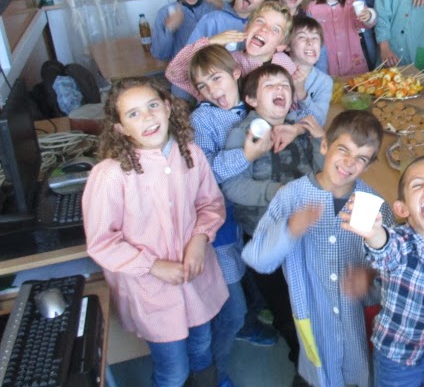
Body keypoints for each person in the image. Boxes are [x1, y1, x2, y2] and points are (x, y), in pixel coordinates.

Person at [82, 77, 228, 387]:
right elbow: (103, 242)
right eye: (133, 114)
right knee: (173, 370)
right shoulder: (110, 175)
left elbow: (210, 203)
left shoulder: (191, 153)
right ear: (121, 128)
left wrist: (199, 239)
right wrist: (153, 266)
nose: (147, 117)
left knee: (202, 347)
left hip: (195, 274)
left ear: (167, 107)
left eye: (152, 106)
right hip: (151, 290)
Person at [242, 110, 395, 387]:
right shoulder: (292, 197)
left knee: (361, 373)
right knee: (321, 375)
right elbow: (257, 259)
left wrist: (371, 277)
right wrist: (290, 229)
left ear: (369, 164)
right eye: (343, 150)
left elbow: (395, 265)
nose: (349, 163)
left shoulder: (374, 205)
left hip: (357, 322)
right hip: (314, 318)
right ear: (324, 145)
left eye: (361, 158)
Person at [221, 63, 325, 372]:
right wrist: (278, 191)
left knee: (313, 298)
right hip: (265, 236)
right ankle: (302, 362)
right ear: (251, 99)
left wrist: (318, 139)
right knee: (284, 306)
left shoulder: (300, 125)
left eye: (284, 85)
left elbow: (323, 172)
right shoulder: (242, 134)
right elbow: (233, 186)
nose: (280, 89)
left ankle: (320, 356)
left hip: (307, 231)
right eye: (270, 86)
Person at [341, 156, 424, 386]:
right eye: (417, 185)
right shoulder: (401, 245)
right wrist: (374, 232)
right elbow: (385, 248)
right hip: (397, 359)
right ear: (402, 208)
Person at [186, 45, 271, 379]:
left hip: (253, 216)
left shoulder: (251, 104)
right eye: (202, 86)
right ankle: (213, 371)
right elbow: (204, 172)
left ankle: (248, 325)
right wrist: (246, 156)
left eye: (216, 79)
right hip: (220, 226)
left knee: (254, 283)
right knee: (231, 309)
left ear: (236, 72)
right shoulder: (202, 119)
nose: (211, 90)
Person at [166, 1, 296, 102]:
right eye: (260, 21)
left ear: (281, 45)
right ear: (246, 28)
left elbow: (292, 104)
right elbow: (174, 73)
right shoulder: (226, 60)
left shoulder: (285, 64)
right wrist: (210, 42)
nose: (264, 28)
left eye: (275, 29)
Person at [306, 0, 377, 77]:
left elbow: (367, 23)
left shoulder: (352, 3)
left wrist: (369, 15)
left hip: (354, 67)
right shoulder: (312, 8)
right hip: (327, 68)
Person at [288, 16, 332, 125]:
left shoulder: (325, 81)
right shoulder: (278, 71)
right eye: (302, 37)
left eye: (315, 38)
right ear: (288, 45)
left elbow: (320, 121)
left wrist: (302, 94)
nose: (310, 42)